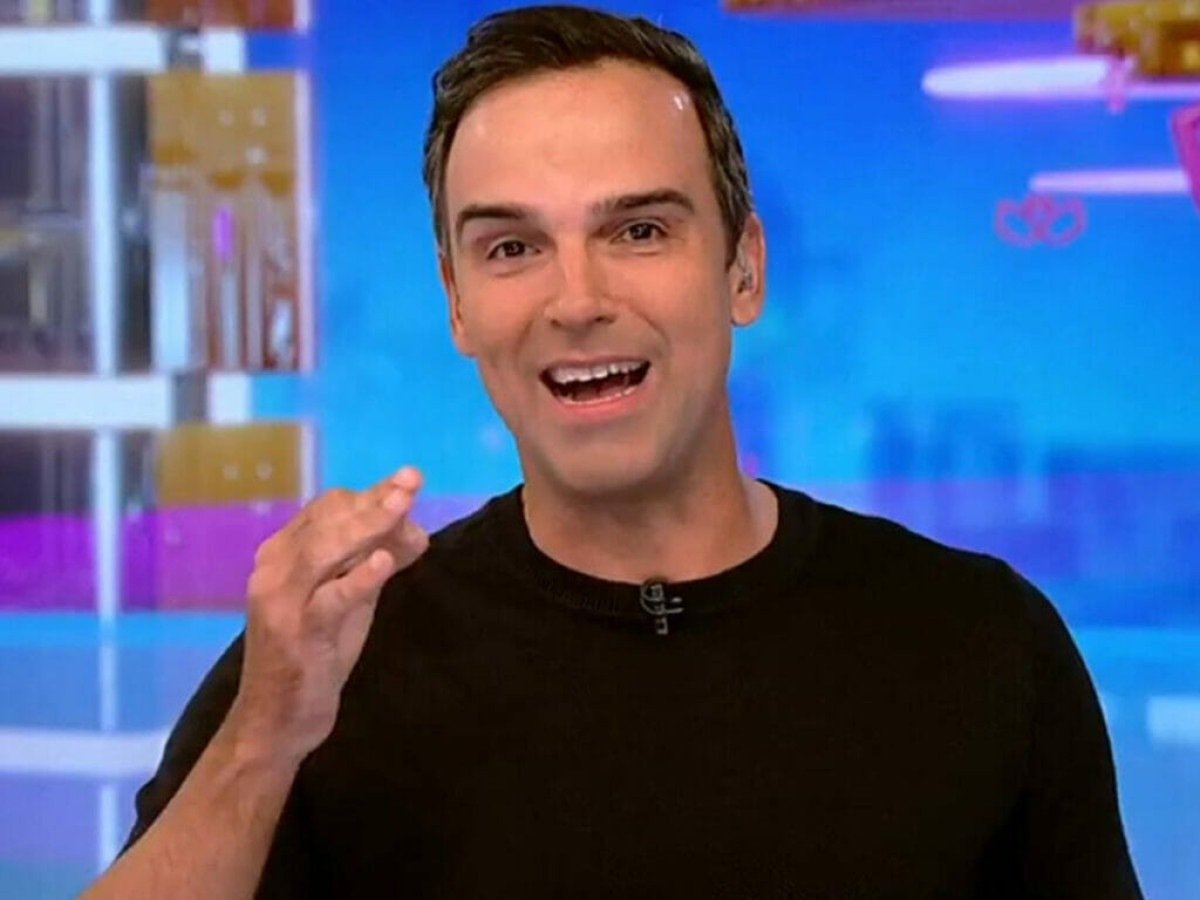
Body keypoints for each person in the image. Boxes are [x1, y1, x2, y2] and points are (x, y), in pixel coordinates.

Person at [82, 5, 1144, 898]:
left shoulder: (980, 643)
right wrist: (260, 746)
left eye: (639, 230)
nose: (577, 300)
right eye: (512, 247)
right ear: (458, 303)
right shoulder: (327, 666)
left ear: (743, 268)